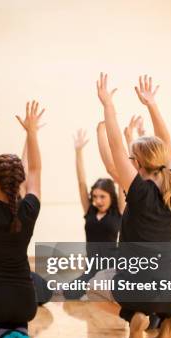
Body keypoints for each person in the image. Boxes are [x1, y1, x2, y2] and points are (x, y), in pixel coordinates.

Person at [88, 74, 171, 338]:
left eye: (133, 160)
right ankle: (170, 318)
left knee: (94, 286)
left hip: (142, 290)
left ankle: (135, 317)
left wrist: (107, 104)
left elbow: (116, 146)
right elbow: (166, 142)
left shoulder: (138, 191)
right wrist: (152, 104)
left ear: (139, 164)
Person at [0, 101, 44, 338]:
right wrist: (31, 133)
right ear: (20, 183)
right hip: (26, 304)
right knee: (19, 309)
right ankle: (18, 327)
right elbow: (35, 170)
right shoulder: (29, 209)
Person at [64, 125, 125, 300]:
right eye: (95, 196)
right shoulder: (90, 211)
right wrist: (78, 152)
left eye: (102, 197)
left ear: (111, 196)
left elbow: (122, 179)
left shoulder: (119, 211)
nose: (97, 201)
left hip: (112, 266)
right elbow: (81, 182)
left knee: (105, 293)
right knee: (70, 293)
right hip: (92, 267)